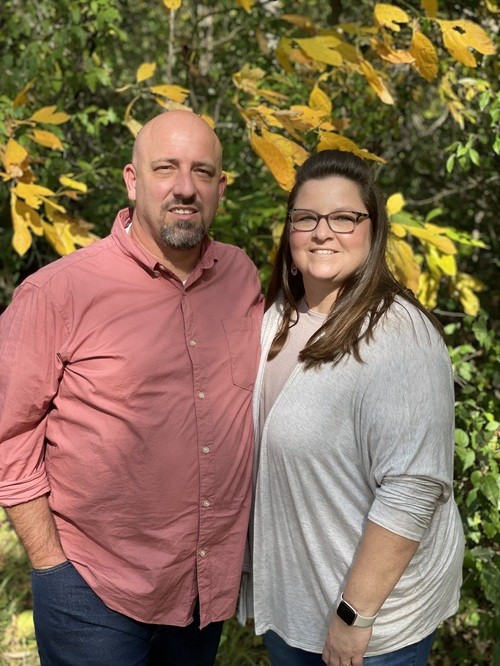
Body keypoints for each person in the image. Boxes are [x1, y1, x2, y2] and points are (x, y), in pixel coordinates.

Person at [0, 110, 263, 666]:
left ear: (221, 187)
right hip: (91, 590)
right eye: (165, 168)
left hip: (201, 590)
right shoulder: (58, 292)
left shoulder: (241, 277)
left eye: (201, 171)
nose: (185, 187)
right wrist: (50, 563)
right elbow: (8, 434)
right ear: (132, 180)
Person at [241, 150, 464, 666]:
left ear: (373, 230)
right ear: (289, 230)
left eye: (344, 217)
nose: (323, 232)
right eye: (306, 218)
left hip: (372, 626)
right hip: (297, 607)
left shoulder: (399, 337)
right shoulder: (276, 319)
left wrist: (353, 617)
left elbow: (412, 489)